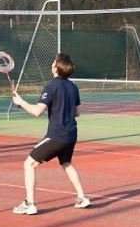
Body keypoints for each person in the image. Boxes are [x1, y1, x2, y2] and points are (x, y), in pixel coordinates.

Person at [10, 53, 91, 215]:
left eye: (54, 62)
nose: (52, 64)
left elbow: (37, 111)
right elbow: (77, 113)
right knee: (66, 163)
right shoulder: (73, 87)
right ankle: (82, 198)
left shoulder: (51, 86)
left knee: (29, 163)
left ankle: (30, 203)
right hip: (71, 134)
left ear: (56, 67)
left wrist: (20, 103)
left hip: (57, 135)